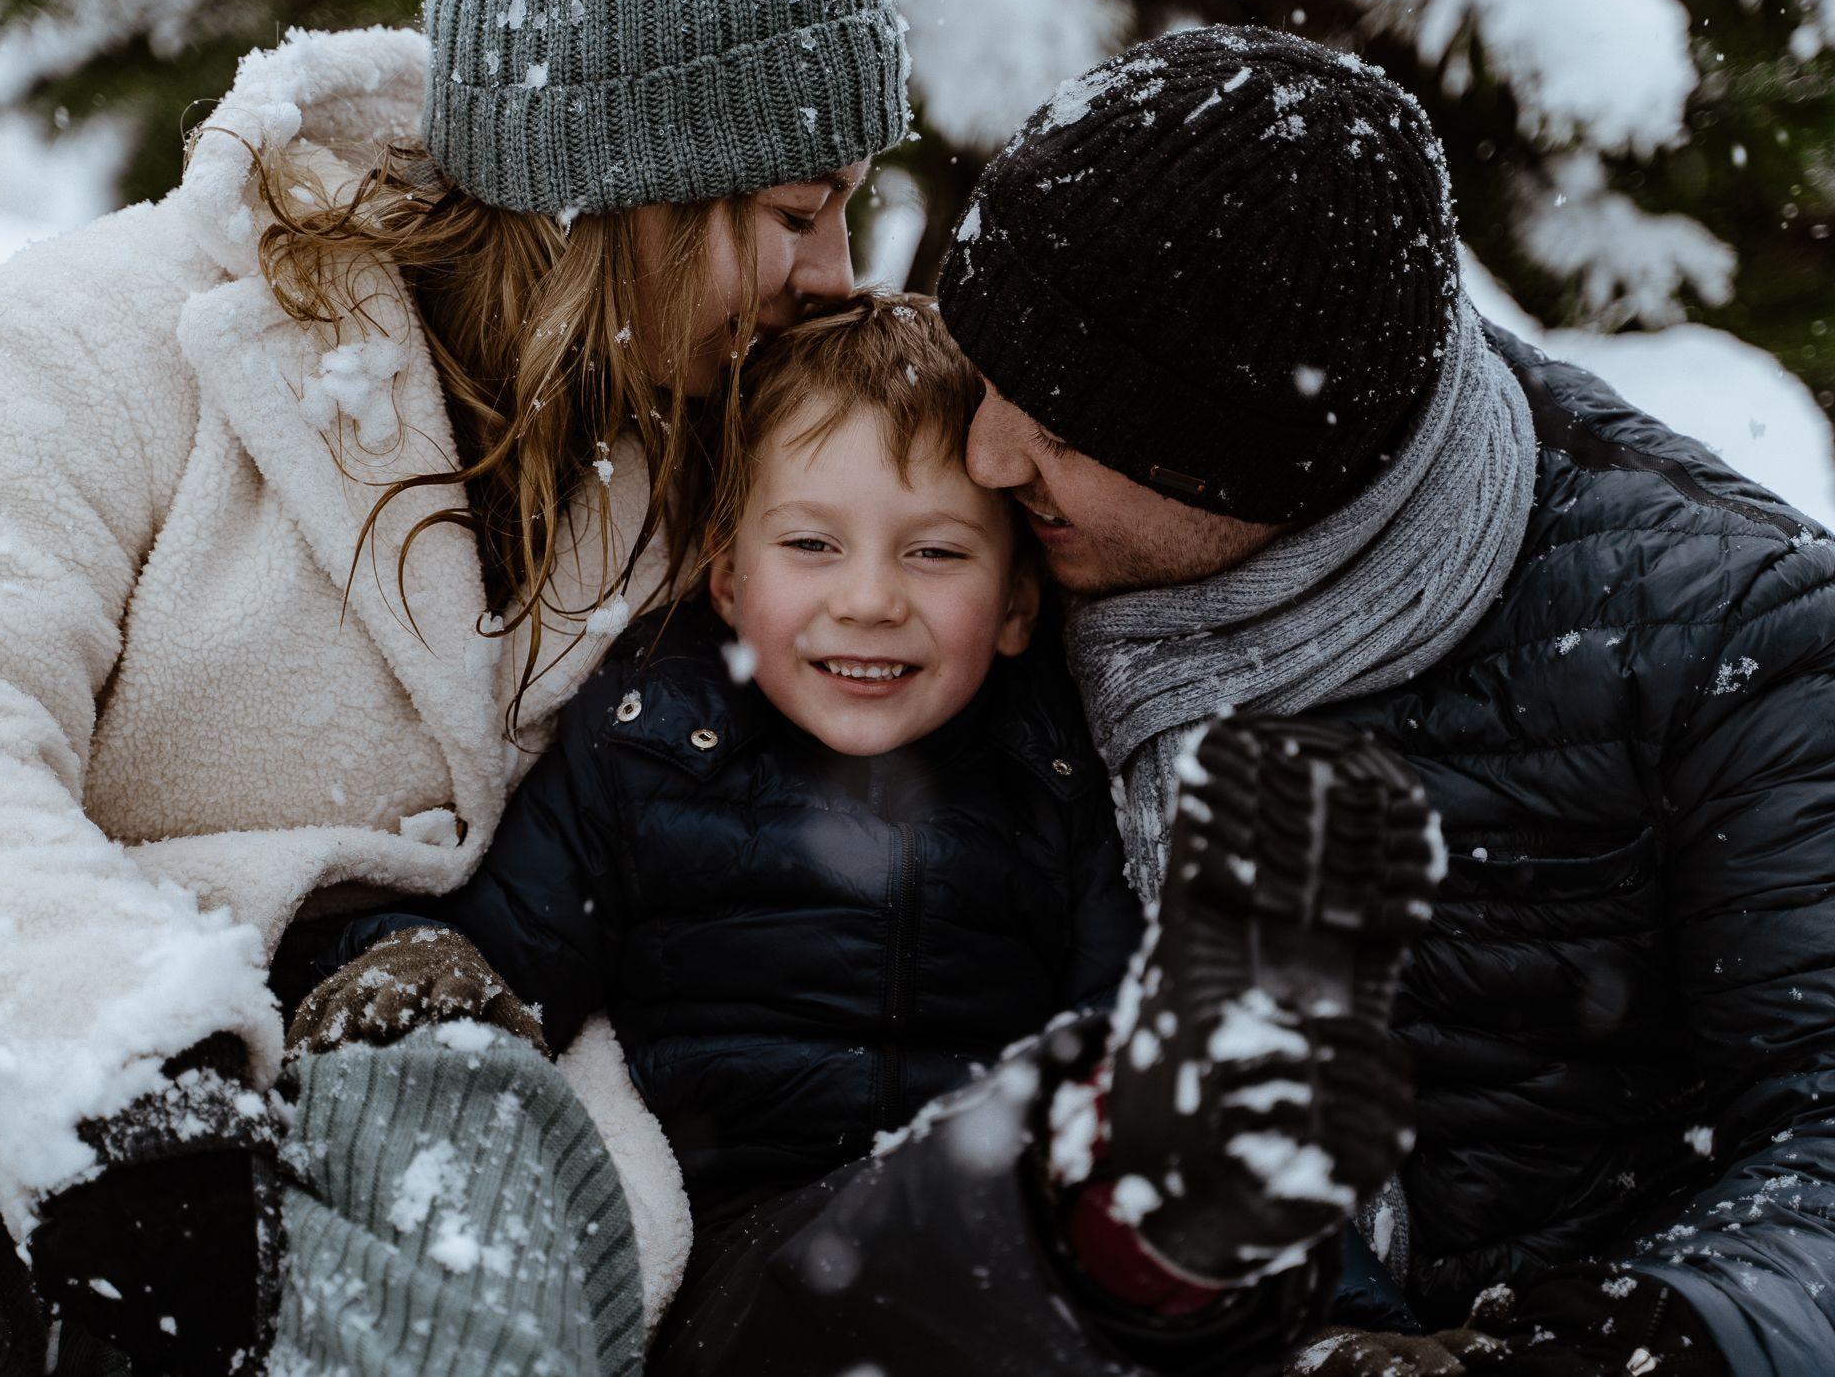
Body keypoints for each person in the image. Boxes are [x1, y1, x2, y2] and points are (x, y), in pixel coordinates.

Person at [0, 0, 910, 1373]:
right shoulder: (109, 334)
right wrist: (124, 1075)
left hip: (433, 1071)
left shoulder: (749, 452)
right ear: (623, 193)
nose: (837, 273)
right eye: (795, 213)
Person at [936, 25, 1835, 1376]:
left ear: (1253, 467)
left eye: (1066, 424)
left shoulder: (1701, 615)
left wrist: (1662, 1333)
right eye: (989, 373)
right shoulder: (935, 545)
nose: (984, 449)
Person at [292, 290, 1441, 1377]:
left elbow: (1142, 1058)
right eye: (812, 546)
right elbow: (500, 958)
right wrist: (396, 963)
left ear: (1019, 604)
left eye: (934, 553)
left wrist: (1338, 1305)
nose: (871, 599)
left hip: (1008, 1232)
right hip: (752, 1260)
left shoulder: (1046, 771)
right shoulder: (647, 739)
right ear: (727, 578)